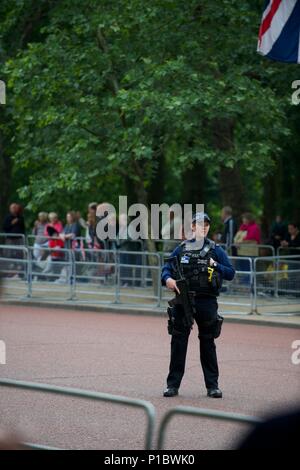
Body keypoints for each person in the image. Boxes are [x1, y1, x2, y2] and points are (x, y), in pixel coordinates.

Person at [161, 212, 235, 399]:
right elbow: (166, 269)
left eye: (207, 224)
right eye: (200, 224)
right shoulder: (181, 248)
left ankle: (212, 386)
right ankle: (172, 385)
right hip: (183, 300)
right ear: (192, 226)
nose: (204, 227)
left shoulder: (216, 250)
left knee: (208, 342)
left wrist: (215, 265)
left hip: (207, 301)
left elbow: (231, 273)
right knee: (178, 342)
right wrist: (168, 279)